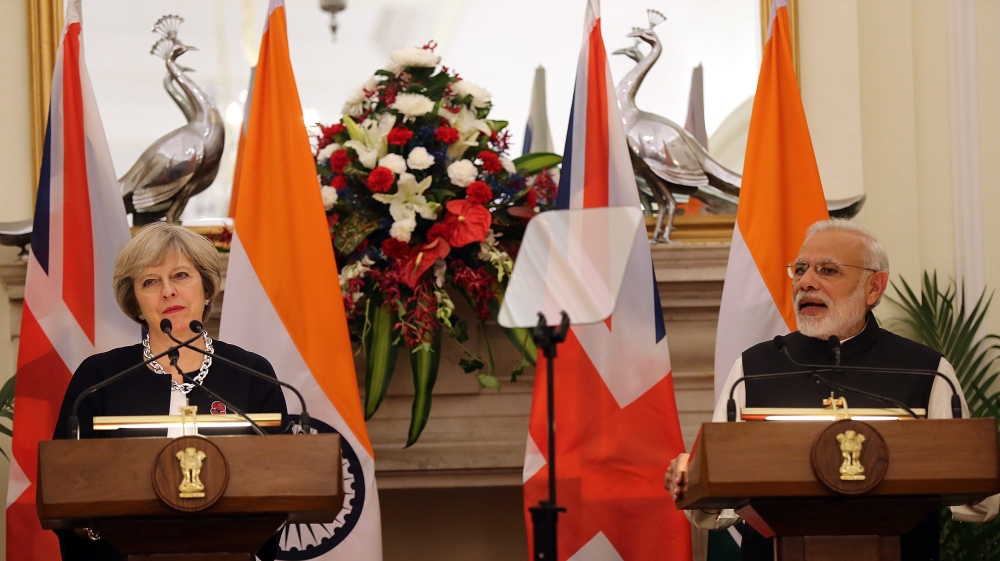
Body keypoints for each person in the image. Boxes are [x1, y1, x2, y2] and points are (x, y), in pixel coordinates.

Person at [665, 219, 999, 560]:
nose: (806, 282)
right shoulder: (754, 367)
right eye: (800, 270)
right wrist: (692, 478)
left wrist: (980, 477)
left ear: (874, 287)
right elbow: (717, 505)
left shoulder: (925, 369)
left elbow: (979, 500)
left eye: (828, 270)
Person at [52, 222, 288, 561]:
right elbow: (65, 489)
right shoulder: (99, 378)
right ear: (135, 304)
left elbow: (280, 484)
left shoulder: (251, 374)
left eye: (180, 276)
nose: (168, 291)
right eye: (150, 282)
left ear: (207, 289)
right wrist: (104, 530)